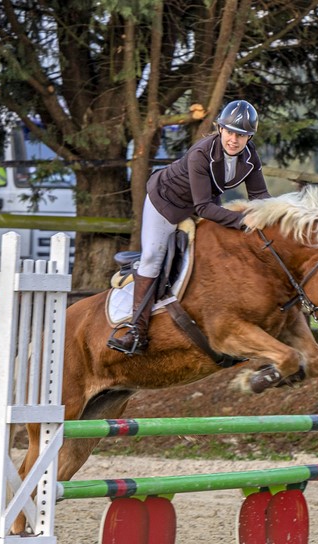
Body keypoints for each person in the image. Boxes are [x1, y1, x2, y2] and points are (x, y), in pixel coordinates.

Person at [108, 100, 272, 355]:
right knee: (152, 257)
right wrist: (242, 221)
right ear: (220, 128)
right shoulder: (201, 153)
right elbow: (204, 208)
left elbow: (260, 195)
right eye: (230, 132)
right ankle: (136, 331)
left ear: (249, 137)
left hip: (202, 201)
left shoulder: (250, 156)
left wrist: (274, 218)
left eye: (241, 135)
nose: (234, 140)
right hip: (166, 202)